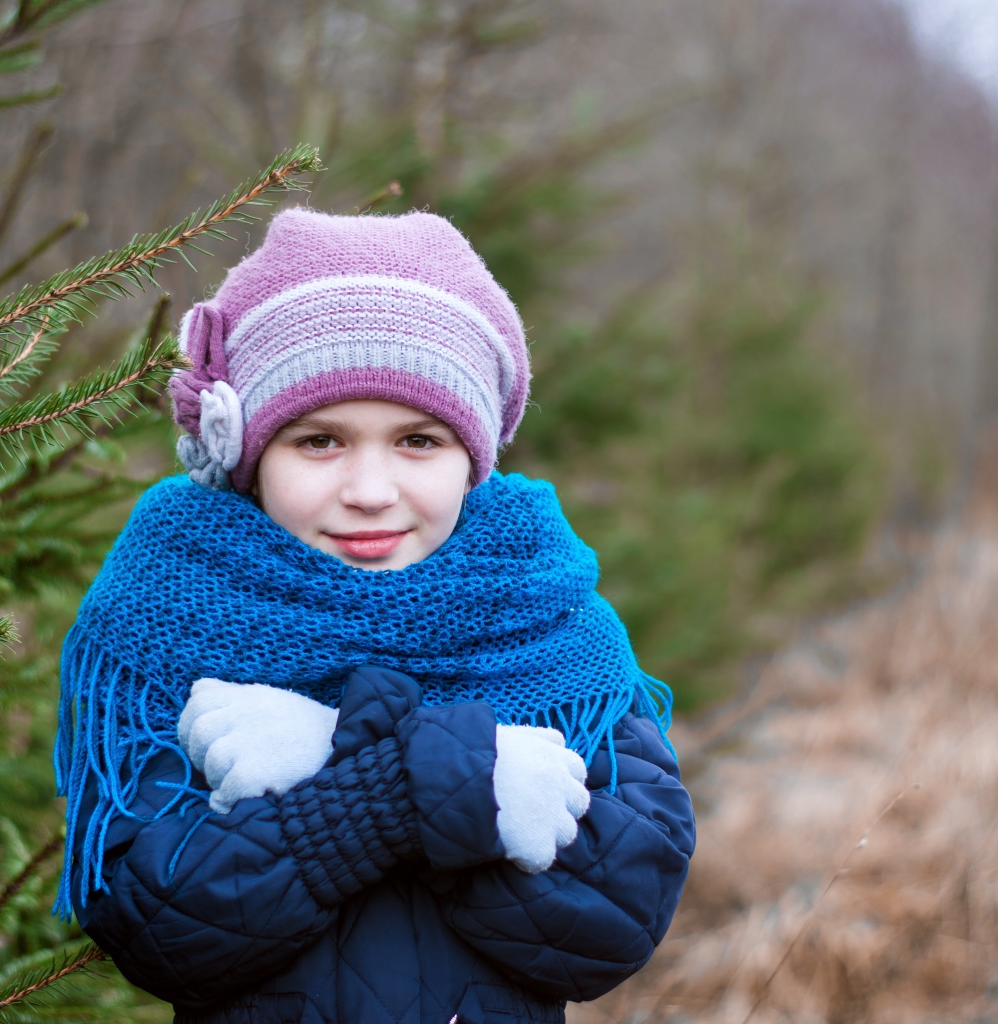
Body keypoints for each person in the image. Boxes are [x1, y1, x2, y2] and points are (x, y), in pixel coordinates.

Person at [54, 209, 696, 1024]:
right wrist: (427, 789)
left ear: (474, 459)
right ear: (249, 454)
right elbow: (156, 922)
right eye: (319, 440)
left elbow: (613, 916)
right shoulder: (166, 610)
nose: (368, 489)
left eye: (419, 441)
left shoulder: (547, 617)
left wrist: (354, 764)